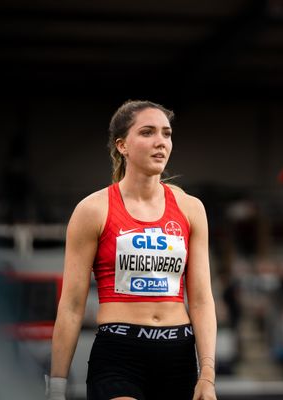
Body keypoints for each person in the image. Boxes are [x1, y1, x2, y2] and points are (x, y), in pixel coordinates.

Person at [46, 100, 217, 400]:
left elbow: (202, 300)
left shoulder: (191, 209)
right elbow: (71, 306)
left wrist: (208, 375)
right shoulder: (93, 210)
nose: (160, 142)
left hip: (177, 354)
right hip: (119, 355)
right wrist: (56, 388)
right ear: (122, 146)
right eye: (148, 132)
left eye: (166, 134)